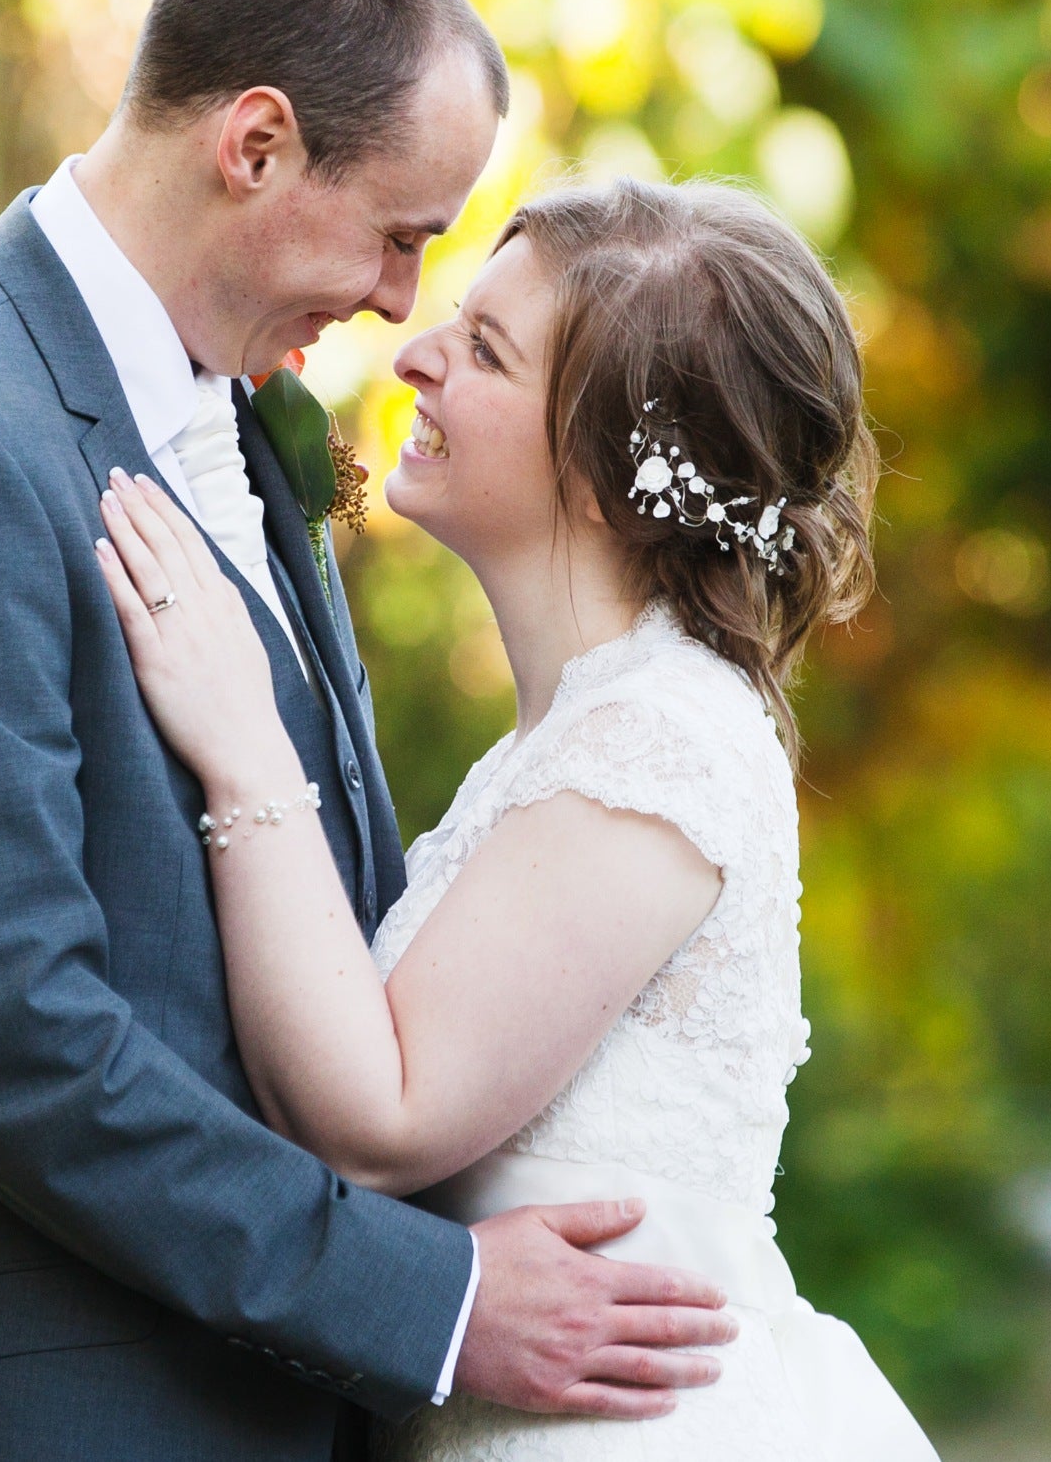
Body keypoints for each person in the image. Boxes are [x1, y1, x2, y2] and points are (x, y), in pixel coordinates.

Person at [0, 0, 739, 1462]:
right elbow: (8, 1036)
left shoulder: (245, 421)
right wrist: (440, 1297)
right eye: (401, 233)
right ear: (256, 146)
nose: (407, 303)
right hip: (45, 1412)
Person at [87, 175, 940, 1460]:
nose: (418, 350)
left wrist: (240, 735)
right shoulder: (572, 736)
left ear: (607, 480)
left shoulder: (663, 742)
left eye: (485, 348)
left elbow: (379, 1118)